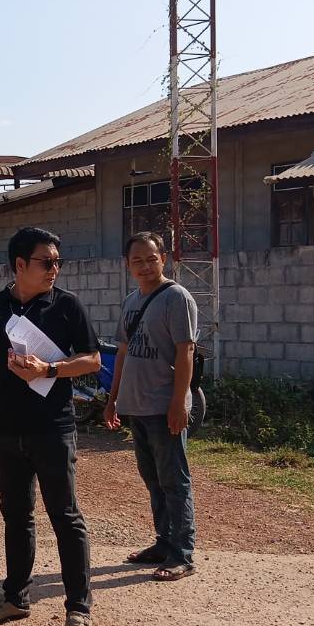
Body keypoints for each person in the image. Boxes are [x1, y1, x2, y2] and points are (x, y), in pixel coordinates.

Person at [0, 227, 102, 626]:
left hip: (54, 428)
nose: (55, 269)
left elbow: (92, 360)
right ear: (20, 264)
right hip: (8, 429)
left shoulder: (67, 306)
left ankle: (78, 608)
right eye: (47, 262)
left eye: (58, 261)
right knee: (16, 515)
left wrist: (49, 370)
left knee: (65, 516)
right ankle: (15, 598)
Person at [104, 231, 200, 582]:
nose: (144, 266)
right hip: (137, 406)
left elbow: (186, 351)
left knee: (174, 481)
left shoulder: (177, 298)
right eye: (137, 260)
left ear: (164, 259)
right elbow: (123, 353)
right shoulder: (131, 301)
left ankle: (182, 554)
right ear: (127, 265)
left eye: (151, 259)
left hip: (163, 405)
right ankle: (163, 542)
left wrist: (178, 403)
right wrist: (113, 400)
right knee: (154, 480)